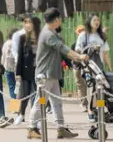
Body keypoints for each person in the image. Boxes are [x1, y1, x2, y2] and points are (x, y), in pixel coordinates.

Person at [26, 8, 89, 140]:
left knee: (56, 102)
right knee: (41, 101)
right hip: (45, 75)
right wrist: (79, 57)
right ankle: (32, 127)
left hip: (52, 73)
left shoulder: (51, 32)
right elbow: (63, 49)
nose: (61, 21)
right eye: (60, 18)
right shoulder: (48, 34)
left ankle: (61, 128)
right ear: (55, 19)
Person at [75, 14, 112, 117]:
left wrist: (110, 67)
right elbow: (78, 49)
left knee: (100, 88)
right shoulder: (84, 35)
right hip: (88, 66)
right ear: (89, 22)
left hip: (99, 66)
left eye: (98, 20)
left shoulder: (101, 36)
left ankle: (99, 109)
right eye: (94, 20)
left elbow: (105, 53)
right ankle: (90, 110)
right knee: (91, 87)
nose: (97, 22)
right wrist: (87, 51)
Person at [14, 16, 41, 125]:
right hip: (25, 71)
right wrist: (18, 73)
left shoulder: (41, 38)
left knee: (37, 96)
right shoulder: (22, 38)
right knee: (23, 94)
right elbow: (19, 56)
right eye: (26, 22)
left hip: (38, 71)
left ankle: (36, 118)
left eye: (30, 22)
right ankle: (21, 114)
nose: (28, 25)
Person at [3, 27, 19, 100]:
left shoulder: (6, 43)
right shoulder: (18, 43)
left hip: (8, 68)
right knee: (18, 88)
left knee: (12, 87)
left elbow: (3, 56)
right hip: (18, 68)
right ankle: (19, 107)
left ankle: (14, 107)